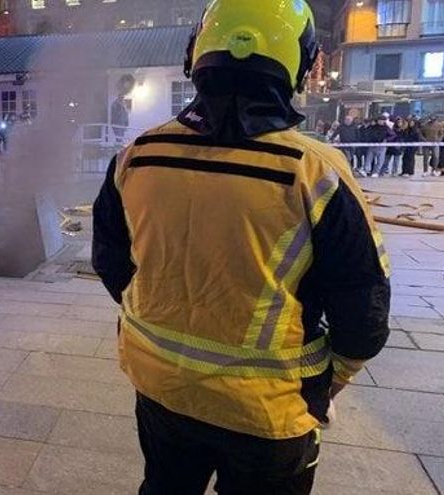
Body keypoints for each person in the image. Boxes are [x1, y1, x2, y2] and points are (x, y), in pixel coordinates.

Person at [92, 1, 391, 493]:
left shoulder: (138, 157)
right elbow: (364, 311)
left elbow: (111, 263)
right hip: (268, 410)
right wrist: (333, 380)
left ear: (197, 57)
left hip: (160, 386)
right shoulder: (314, 171)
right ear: (297, 62)